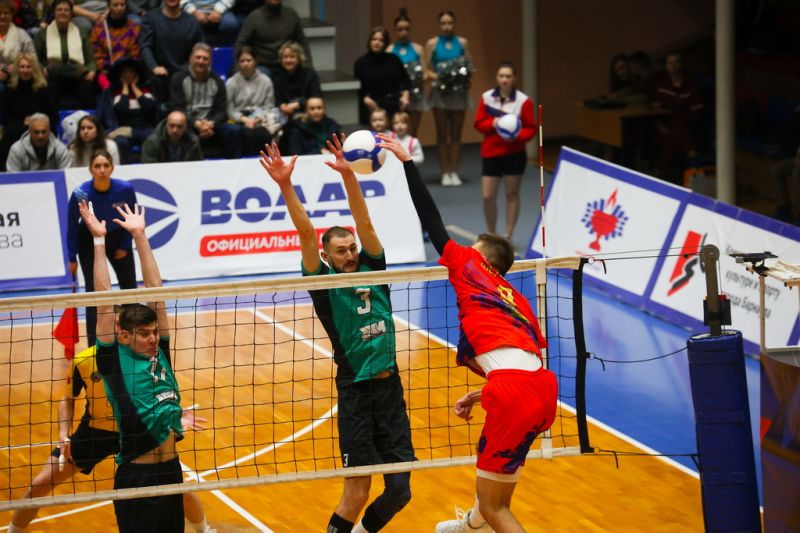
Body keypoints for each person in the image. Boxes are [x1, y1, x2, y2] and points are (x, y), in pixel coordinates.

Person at [377, 133, 556, 533]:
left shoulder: (468, 266)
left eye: (471, 246)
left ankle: (480, 523)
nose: (464, 248)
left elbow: (430, 217)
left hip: (513, 392)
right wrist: (480, 393)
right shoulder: (515, 299)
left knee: (495, 508)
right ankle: (471, 528)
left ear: (481, 257)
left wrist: (407, 163)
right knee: (494, 493)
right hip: (541, 389)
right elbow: (523, 358)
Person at [259, 136, 414, 533]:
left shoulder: (374, 269)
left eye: (352, 248)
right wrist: (285, 184)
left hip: (390, 390)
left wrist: (348, 175)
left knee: (400, 492)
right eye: (341, 251)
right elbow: (306, 233)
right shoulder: (324, 285)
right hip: (356, 393)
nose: (349, 254)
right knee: (356, 493)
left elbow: (365, 223)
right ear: (327, 257)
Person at [7, 313, 215, 533]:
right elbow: (68, 398)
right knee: (40, 485)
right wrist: (63, 433)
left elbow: (161, 394)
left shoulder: (146, 357)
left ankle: (204, 530)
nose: (115, 328)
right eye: (112, 322)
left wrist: (176, 415)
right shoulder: (86, 360)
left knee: (177, 489)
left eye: (119, 323)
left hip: (138, 433)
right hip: (97, 433)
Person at [84, 201, 186, 532]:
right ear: (124, 335)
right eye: (144, 334)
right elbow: (102, 301)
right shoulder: (113, 361)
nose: (153, 338)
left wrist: (140, 236)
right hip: (137, 476)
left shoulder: (161, 351)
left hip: (172, 472)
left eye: (154, 331)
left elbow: (156, 292)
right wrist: (99, 241)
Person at [66, 148, 137, 346]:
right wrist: (71, 257)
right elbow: (72, 226)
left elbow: (131, 219)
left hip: (118, 239)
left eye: (106, 165)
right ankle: (94, 345)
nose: (102, 170)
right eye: (97, 166)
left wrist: (124, 245)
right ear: (91, 169)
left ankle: (132, 338)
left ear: (112, 168)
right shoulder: (80, 193)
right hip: (89, 242)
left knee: (130, 290)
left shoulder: (126, 189)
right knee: (94, 295)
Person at [474, 61, 536, 241]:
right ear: (497, 77)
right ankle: (491, 235)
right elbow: (478, 123)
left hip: (514, 153)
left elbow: (531, 128)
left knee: (512, 194)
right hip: (491, 153)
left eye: (508, 76)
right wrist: (493, 123)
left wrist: (516, 135)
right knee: (488, 196)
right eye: (501, 76)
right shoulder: (487, 98)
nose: (504, 79)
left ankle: (508, 235)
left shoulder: (523, 101)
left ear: (514, 78)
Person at [425, 10, 473, 187]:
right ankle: (445, 172)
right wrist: (440, 76)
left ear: (454, 23)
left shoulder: (462, 42)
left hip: (458, 93)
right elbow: (426, 70)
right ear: (439, 25)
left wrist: (461, 75)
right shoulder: (432, 43)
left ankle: (454, 171)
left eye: (450, 23)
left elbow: (470, 66)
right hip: (440, 93)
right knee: (442, 134)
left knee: (456, 134)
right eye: (443, 23)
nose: (447, 26)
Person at [170, 42, 241, 159]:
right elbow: (177, 108)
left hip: (210, 125)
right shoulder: (178, 79)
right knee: (178, 129)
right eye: (198, 57)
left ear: (210, 62)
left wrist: (211, 124)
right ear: (191, 59)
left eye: (205, 58)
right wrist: (196, 123)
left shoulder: (217, 81)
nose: (201, 61)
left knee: (233, 131)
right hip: (188, 124)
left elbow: (222, 112)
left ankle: (234, 167)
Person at [33, 0, 97, 109]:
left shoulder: (81, 32)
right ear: (54, 13)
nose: (63, 12)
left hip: (77, 75)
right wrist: (42, 69)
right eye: (59, 10)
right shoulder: (42, 34)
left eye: (66, 10)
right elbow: (35, 59)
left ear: (71, 13)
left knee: (87, 89)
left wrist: (92, 71)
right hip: (52, 76)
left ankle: (88, 119)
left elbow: (90, 59)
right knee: (47, 90)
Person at [652, 52, 704, 184]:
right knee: (674, 130)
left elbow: (697, 110)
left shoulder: (691, 85)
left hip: (689, 121)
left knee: (677, 126)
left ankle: (664, 170)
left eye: (676, 62)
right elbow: (657, 109)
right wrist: (660, 125)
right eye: (670, 62)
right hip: (668, 122)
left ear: (681, 64)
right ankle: (691, 152)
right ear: (666, 66)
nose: (673, 65)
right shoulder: (663, 86)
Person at [0, 53, 56, 169]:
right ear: (17, 69)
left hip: (41, 128)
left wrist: (35, 120)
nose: (25, 70)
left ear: (34, 69)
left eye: (28, 67)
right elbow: (6, 118)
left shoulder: (44, 89)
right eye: (22, 67)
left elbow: (53, 116)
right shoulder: (9, 90)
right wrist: (23, 122)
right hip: (17, 128)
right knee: (10, 133)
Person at [97, 55, 158, 162]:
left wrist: (134, 87)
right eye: (124, 72)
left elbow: (149, 107)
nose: (128, 75)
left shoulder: (146, 89)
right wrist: (125, 87)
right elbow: (122, 110)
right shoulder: (113, 92)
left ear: (136, 74)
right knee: (121, 142)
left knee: (152, 138)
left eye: (130, 72)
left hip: (145, 127)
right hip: (122, 129)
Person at [139, 0, 202, 103]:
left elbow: (198, 49)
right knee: (156, 81)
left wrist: (187, 69)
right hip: (160, 72)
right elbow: (145, 46)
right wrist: (154, 67)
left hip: (184, 72)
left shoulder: (192, 22)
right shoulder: (150, 18)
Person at [226, 45, 280, 156]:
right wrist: (244, 120)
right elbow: (229, 109)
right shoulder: (231, 82)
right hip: (239, 119)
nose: (245, 64)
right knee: (245, 134)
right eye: (242, 61)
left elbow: (269, 106)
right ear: (238, 63)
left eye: (249, 60)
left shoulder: (266, 81)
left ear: (255, 61)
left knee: (263, 134)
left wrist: (257, 119)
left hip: (261, 119)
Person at [353, 25, 410, 127]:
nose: (377, 42)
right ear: (369, 41)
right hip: (372, 107)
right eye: (374, 39)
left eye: (381, 40)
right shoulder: (361, 63)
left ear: (385, 43)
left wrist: (405, 96)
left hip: (393, 106)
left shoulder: (394, 59)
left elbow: (406, 81)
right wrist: (365, 99)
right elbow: (358, 89)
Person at [235, 0, 310, 77]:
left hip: (286, 63)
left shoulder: (291, 15)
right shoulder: (254, 17)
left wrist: (308, 68)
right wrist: (238, 70)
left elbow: (302, 41)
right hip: (263, 65)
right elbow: (241, 42)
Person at [386, 7, 426, 137]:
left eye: (407, 29)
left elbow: (425, 73)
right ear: (395, 30)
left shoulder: (418, 49)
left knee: (412, 133)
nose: (404, 32)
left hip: (415, 96)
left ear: (410, 29)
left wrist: (415, 80)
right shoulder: (389, 50)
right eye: (400, 29)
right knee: (394, 132)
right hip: (396, 96)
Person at [89, 0, 141, 89]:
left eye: (122, 5)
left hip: (128, 70)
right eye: (115, 5)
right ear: (109, 7)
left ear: (126, 6)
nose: (119, 8)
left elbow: (136, 54)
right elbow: (96, 55)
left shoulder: (135, 27)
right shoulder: (98, 29)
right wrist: (107, 66)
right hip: (107, 70)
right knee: (109, 89)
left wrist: (125, 67)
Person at [271, 40, 320, 122]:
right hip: (285, 116)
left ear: (299, 58)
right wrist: (282, 106)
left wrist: (298, 105)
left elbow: (316, 97)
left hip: (308, 113)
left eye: (292, 57)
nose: (288, 60)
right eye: (285, 57)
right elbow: (277, 99)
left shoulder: (310, 74)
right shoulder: (277, 77)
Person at [6, 111, 71, 170]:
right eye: (36, 132)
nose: (40, 136)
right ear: (29, 132)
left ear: (49, 131)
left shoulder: (61, 149)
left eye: (44, 132)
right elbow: (12, 177)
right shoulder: (17, 150)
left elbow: (66, 176)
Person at [0, 0, 34, 92]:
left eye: (6, 13)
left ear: (12, 15)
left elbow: (32, 56)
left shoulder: (21, 34)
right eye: (0, 13)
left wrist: (18, 66)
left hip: (20, 73)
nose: (2, 16)